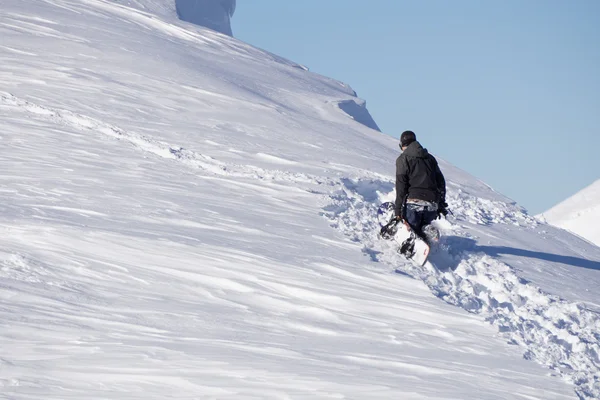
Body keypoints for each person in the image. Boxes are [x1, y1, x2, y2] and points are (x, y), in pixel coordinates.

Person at [383, 130, 448, 245]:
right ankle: (426, 229)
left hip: (414, 202)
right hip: (432, 204)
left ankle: (410, 243)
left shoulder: (403, 159)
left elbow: (401, 186)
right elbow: (441, 182)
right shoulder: (430, 159)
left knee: (408, 226)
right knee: (422, 226)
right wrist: (441, 204)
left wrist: (398, 211)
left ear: (401, 145)